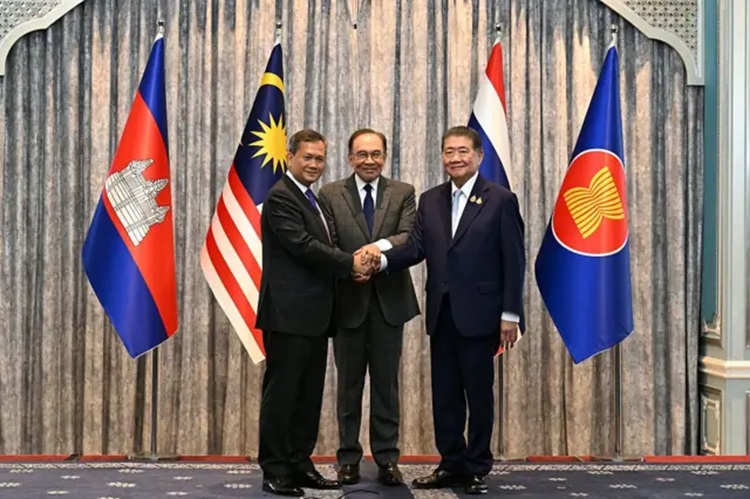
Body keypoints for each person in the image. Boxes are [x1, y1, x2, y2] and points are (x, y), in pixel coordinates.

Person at [362, 125, 525, 495]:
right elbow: (416, 248)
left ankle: (477, 467)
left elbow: (514, 260)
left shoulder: (500, 200)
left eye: (463, 151)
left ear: (479, 156)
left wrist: (510, 315)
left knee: (479, 396)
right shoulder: (431, 199)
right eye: (449, 151)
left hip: (482, 315)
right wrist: (380, 260)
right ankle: (451, 464)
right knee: (445, 396)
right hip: (442, 314)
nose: (455, 158)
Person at [256, 129, 371, 497]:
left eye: (320, 158)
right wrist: (349, 264)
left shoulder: (311, 198)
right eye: (307, 157)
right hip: (289, 314)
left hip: (316, 315)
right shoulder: (281, 197)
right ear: (290, 156)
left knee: (307, 397)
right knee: (283, 395)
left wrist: (352, 263)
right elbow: (303, 246)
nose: (314, 164)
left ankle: (299, 464)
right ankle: (276, 469)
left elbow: (324, 244)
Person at [318, 129, 420, 487]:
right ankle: (347, 458)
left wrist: (375, 251)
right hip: (348, 300)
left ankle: (387, 459)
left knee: (386, 386)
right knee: (347, 387)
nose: (369, 160)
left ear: (385, 156)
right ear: (350, 158)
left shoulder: (403, 192)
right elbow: (327, 240)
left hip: (390, 303)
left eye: (376, 154)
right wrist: (351, 266)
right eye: (362, 154)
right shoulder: (330, 194)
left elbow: (408, 235)